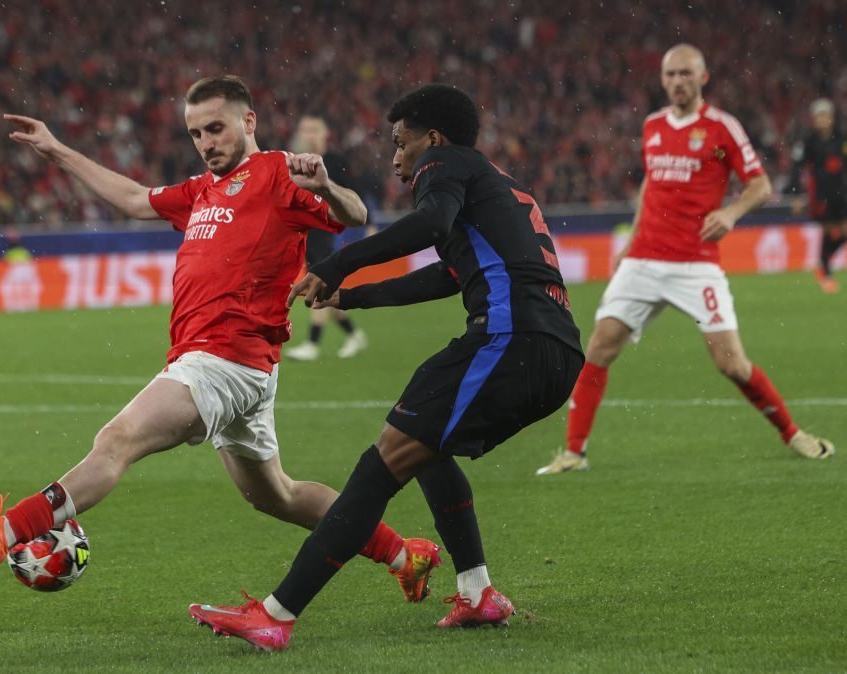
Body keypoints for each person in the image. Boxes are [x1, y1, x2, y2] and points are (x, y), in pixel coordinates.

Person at [0, 75, 440, 602]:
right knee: (278, 495)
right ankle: (403, 554)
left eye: (215, 128)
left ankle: (7, 532)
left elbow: (356, 215)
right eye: (195, 134)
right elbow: (137, 198)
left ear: (248, 122)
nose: (206, 143)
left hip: (223, 359)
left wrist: (325, 186)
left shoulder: (280, 173)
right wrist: (57, 150)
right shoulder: (201, 191)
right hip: (240, 365)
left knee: (117, 441)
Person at [188, 84, 585, 651]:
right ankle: (477, 593)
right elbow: (448, 276)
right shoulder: (498, 185)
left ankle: (276, 615)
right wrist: (352, 298)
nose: (396, 160)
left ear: (433, 139)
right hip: (554, 349)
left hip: (509, 338)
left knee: (381, 465)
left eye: (401, 145)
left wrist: (341, 262)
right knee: (423, 442)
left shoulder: (445, 164)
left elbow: (428, 225)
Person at [537, 45, 834, 476]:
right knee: (599, 347)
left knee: (731, 363)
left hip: (696, 264)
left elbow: (762, 185)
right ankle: (573, 452)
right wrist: (632, 238)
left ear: (703, 77)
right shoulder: (653, 125)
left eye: (685, 74)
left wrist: (731, 214)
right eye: (671, 74)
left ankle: (793, 434)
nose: (678, 81)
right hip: (643, 259)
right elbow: (650, 187)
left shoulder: (721, 128)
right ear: (662, 79)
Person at [285, 114, 369, 361]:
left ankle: (312, 343)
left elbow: (354, 197)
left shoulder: (335, 161)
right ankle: (354, 334)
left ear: (324, 134)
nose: (308, 135)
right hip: (305, 233)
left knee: (318, 283)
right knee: (324, 288)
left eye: (313, 129)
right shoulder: (294, 161)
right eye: (304, 129)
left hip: (325, 232)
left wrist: (370, 223)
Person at [786, 98, 847, 293]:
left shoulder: (842, 138)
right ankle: (825, 272)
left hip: (843, 193)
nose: (822, 120)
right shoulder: (809, 142)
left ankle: (823, 265)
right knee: (829, 231)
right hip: (822, 195)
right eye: (818, 116)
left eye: (825, 115)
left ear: (831, 118)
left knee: (841, 232)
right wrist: (795, 194)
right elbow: (797, 168)